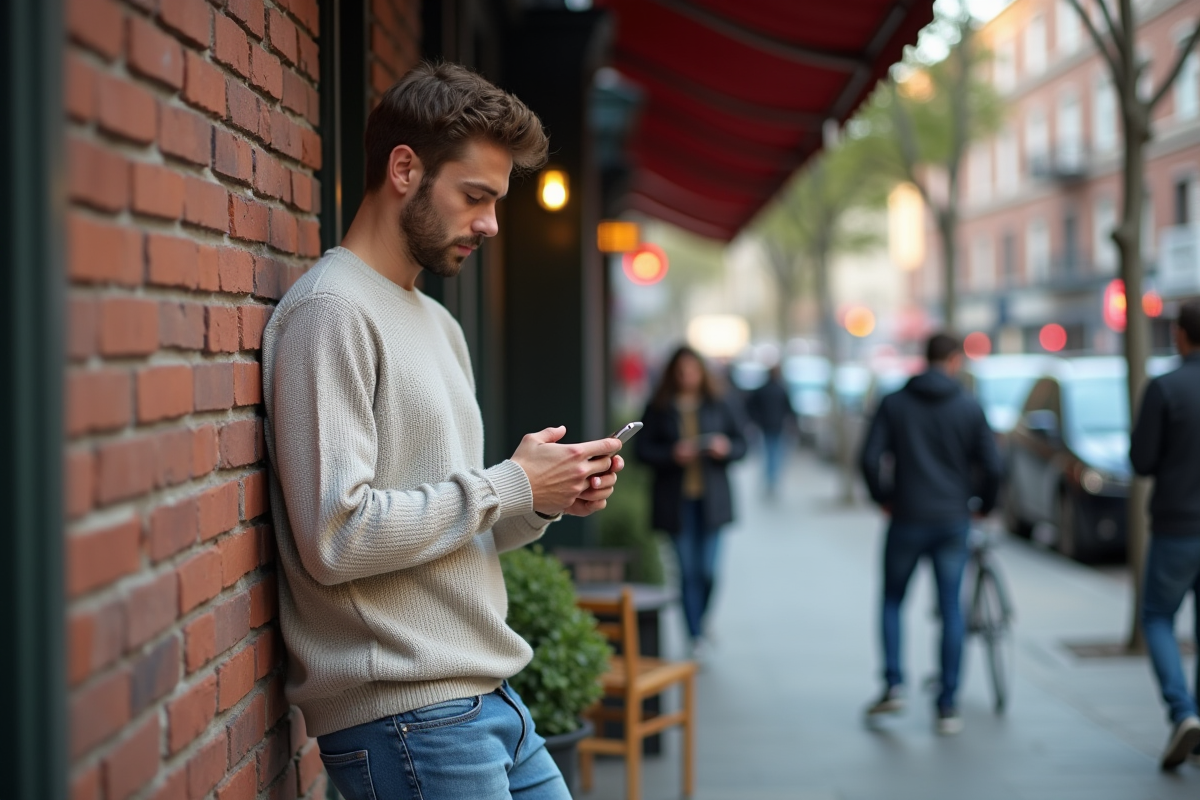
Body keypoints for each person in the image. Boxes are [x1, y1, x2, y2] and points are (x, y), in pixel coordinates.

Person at [261, 62, 625, 800]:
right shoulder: (331, 312)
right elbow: (336, 537)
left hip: (490, 701)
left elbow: (455, 532)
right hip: (408, 717)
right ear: (404, 170)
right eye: (475, 196)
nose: (491, 223)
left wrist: (542, 498)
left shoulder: (440, 323)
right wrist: (508, 483)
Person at [859, 332, 1002, 735]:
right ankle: (948, 704)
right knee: (951, 609)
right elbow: (994, 466)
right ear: (954, 360)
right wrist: (984, 505)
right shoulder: (969, 406)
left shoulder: (894, 402)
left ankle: (893, 685)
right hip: (953, 519)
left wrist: (883, 498)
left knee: (892, 600)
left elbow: (869, 458)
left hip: (906, 516)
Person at [635, 346, 747, 658]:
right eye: (681, 371)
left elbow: (743, 444)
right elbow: (641, 451)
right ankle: (694, 634)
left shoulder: (720, 402)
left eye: (692, 370)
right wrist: (672, 454)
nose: (687, 377)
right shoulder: (659, 406)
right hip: (677, 502)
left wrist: (726, 449)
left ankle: (701, 619)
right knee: (687, 571)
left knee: (708, 571)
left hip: (712, 502)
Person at [1130, 298, 1200, 771]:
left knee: (1157, 617)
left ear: (1179, 334)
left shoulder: (1165, 387)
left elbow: (1141, 461)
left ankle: (1182, 711)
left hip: (1178, 525)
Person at [745, 363, 795, 498]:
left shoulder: (765, 389)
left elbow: (750, 406)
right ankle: (771, 480)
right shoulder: (780, 389)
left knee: (770, 454)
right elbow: (789, 408)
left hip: (769, 426)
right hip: (774, 426)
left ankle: (770, 480)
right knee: (774, 454)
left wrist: (756, 419)